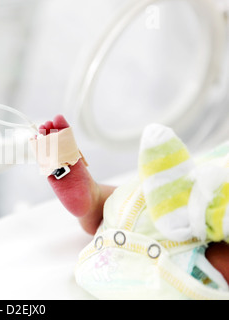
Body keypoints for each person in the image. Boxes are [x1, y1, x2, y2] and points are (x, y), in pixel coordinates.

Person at [37, 115, 229, 290]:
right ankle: (97, 202)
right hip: (151, 240)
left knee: (140, 198)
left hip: (169, 261)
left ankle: (98, 202)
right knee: (146, 198)